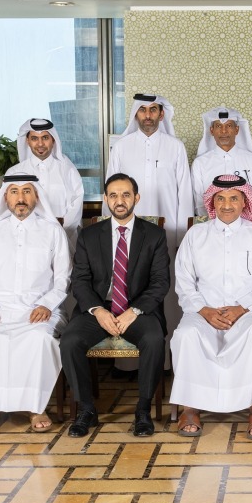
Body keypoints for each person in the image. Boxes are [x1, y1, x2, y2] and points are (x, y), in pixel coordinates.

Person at [171, 175, 252, 439]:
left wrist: (241, 308)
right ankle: (191, 408)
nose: (227, 205)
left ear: (245, 202)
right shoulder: (196, 234)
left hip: (247, 311)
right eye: (220, 198)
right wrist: (204, 311)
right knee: (185, 336)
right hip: (203, 311)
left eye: (234, 198)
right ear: (212, 202)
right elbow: (184, 281)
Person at [64, 173, 170, 438]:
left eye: (125, 194)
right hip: (99, 307)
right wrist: (97, 311)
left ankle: (143, 411)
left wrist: (133, 312)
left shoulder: (154, 235)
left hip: (137, 309)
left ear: (136, 197)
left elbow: (160, 282)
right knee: (70, 340)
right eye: (113, 195)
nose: (119, 201)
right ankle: (86, 410)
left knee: (154, 339)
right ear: (105, 199)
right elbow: (80, 280)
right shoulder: (89, 236)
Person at [0, 174, 71, 434]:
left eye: (26, 191)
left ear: (37, 197)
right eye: (14, 191)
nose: (20, 198)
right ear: (5, 197)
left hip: (41, 307)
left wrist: (47, 304)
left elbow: (63, 278)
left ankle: (36, 408)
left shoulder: (53, 230)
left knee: (38, 339)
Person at [105, 93, 193, 335]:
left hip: (168, 233)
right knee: (129, 287)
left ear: (161, 114)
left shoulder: (175, 147)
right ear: (136, 114)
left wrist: (180, 238)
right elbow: (111, 190)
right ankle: (126, 362)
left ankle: (165, 355)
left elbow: (184, 193)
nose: (147, 115)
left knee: (165, 289)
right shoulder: (121, 147)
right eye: (142, 110)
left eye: (153, 110)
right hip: (127, 234)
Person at [5, 117, 85, 244]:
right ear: (27, 141)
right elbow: (8, 208)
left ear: (53, 140)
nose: (40, 143)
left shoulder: (67, 169)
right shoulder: (14, 173)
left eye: (45, 138)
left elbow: (76, 205)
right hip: (26, 242)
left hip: (64, 239)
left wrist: (60, 234)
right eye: (34, 138)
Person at [190, 106, 252, 212]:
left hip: (247, 224)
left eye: (228, 125)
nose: (224, 131)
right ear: (212, 130)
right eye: (219, 126)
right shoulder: (200, 163)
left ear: (236, 130)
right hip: (211, 224)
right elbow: (199, 202)